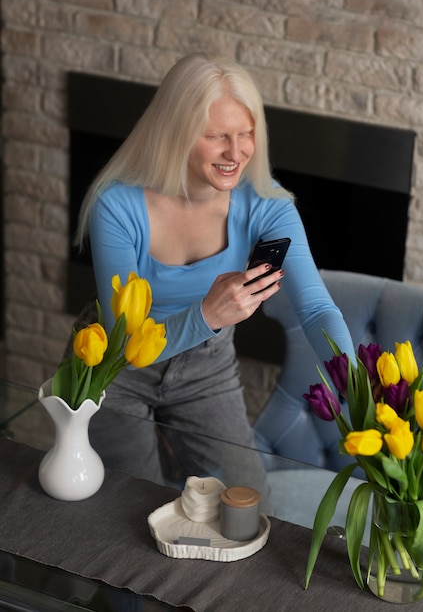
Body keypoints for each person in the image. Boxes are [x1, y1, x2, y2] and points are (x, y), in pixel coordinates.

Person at [73, 52, 356, 505]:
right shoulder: (118, 204)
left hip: (206, 369)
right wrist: (207, 314)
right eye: (217, 137)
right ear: (177, 133)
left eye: (246, 134)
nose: (237, 152)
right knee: (127, 510)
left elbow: (317, 308)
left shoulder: (269, 206)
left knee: (246, 505)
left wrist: (355, 387)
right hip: (117, 370)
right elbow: (127, 343)